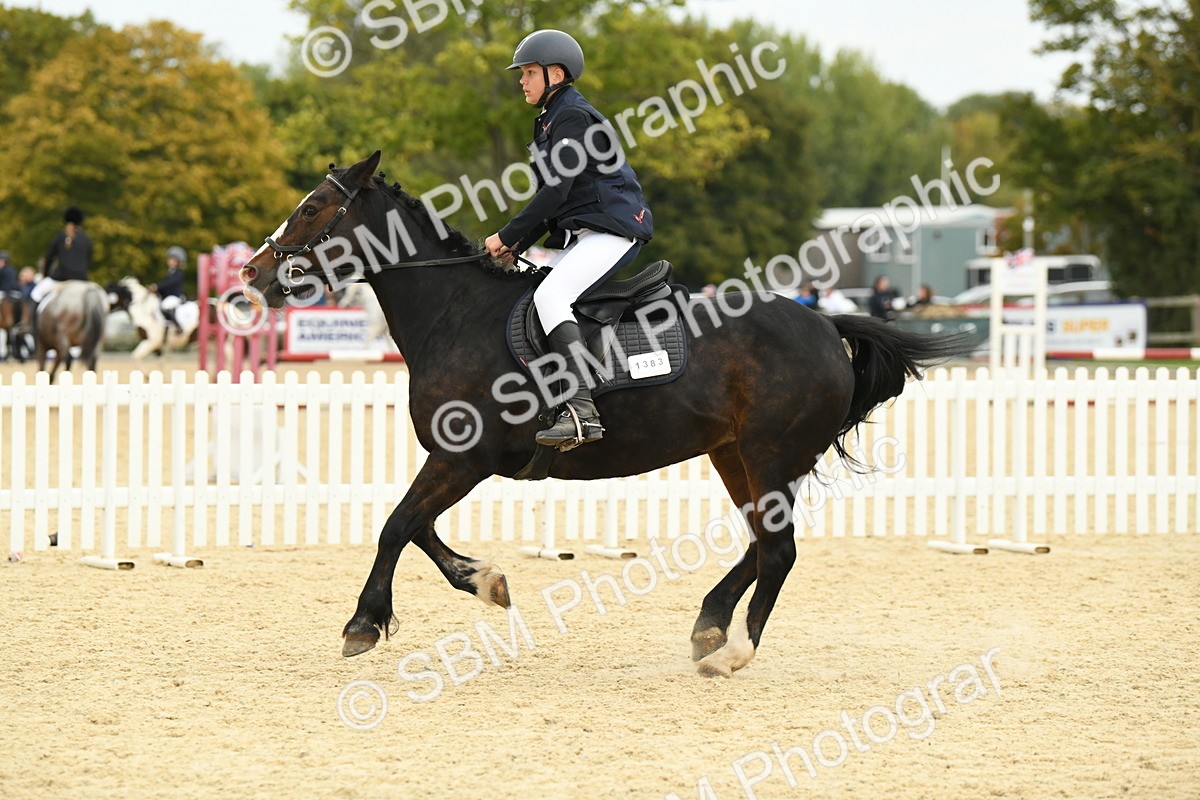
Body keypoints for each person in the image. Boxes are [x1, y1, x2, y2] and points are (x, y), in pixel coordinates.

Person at [484, 30, 653, 451]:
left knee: (551, 296)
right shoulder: (551, 118)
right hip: (589, 233)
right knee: (533, 293)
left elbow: (556, 192)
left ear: (555, 74)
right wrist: (517, 245)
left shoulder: (572, 116)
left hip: (612, 231)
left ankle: (581, 411)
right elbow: (555, 199)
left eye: (528, 72)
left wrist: (507, 234)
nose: (521, 80)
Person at [150, 246, 188, 323]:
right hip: (168, 297)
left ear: (177, 261)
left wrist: (157, 286)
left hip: (174, 297)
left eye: (171, 259)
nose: (168, 260)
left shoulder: (178, 273)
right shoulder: (171, 272)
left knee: (165, 306)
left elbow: (169, 283)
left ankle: (176, 325)